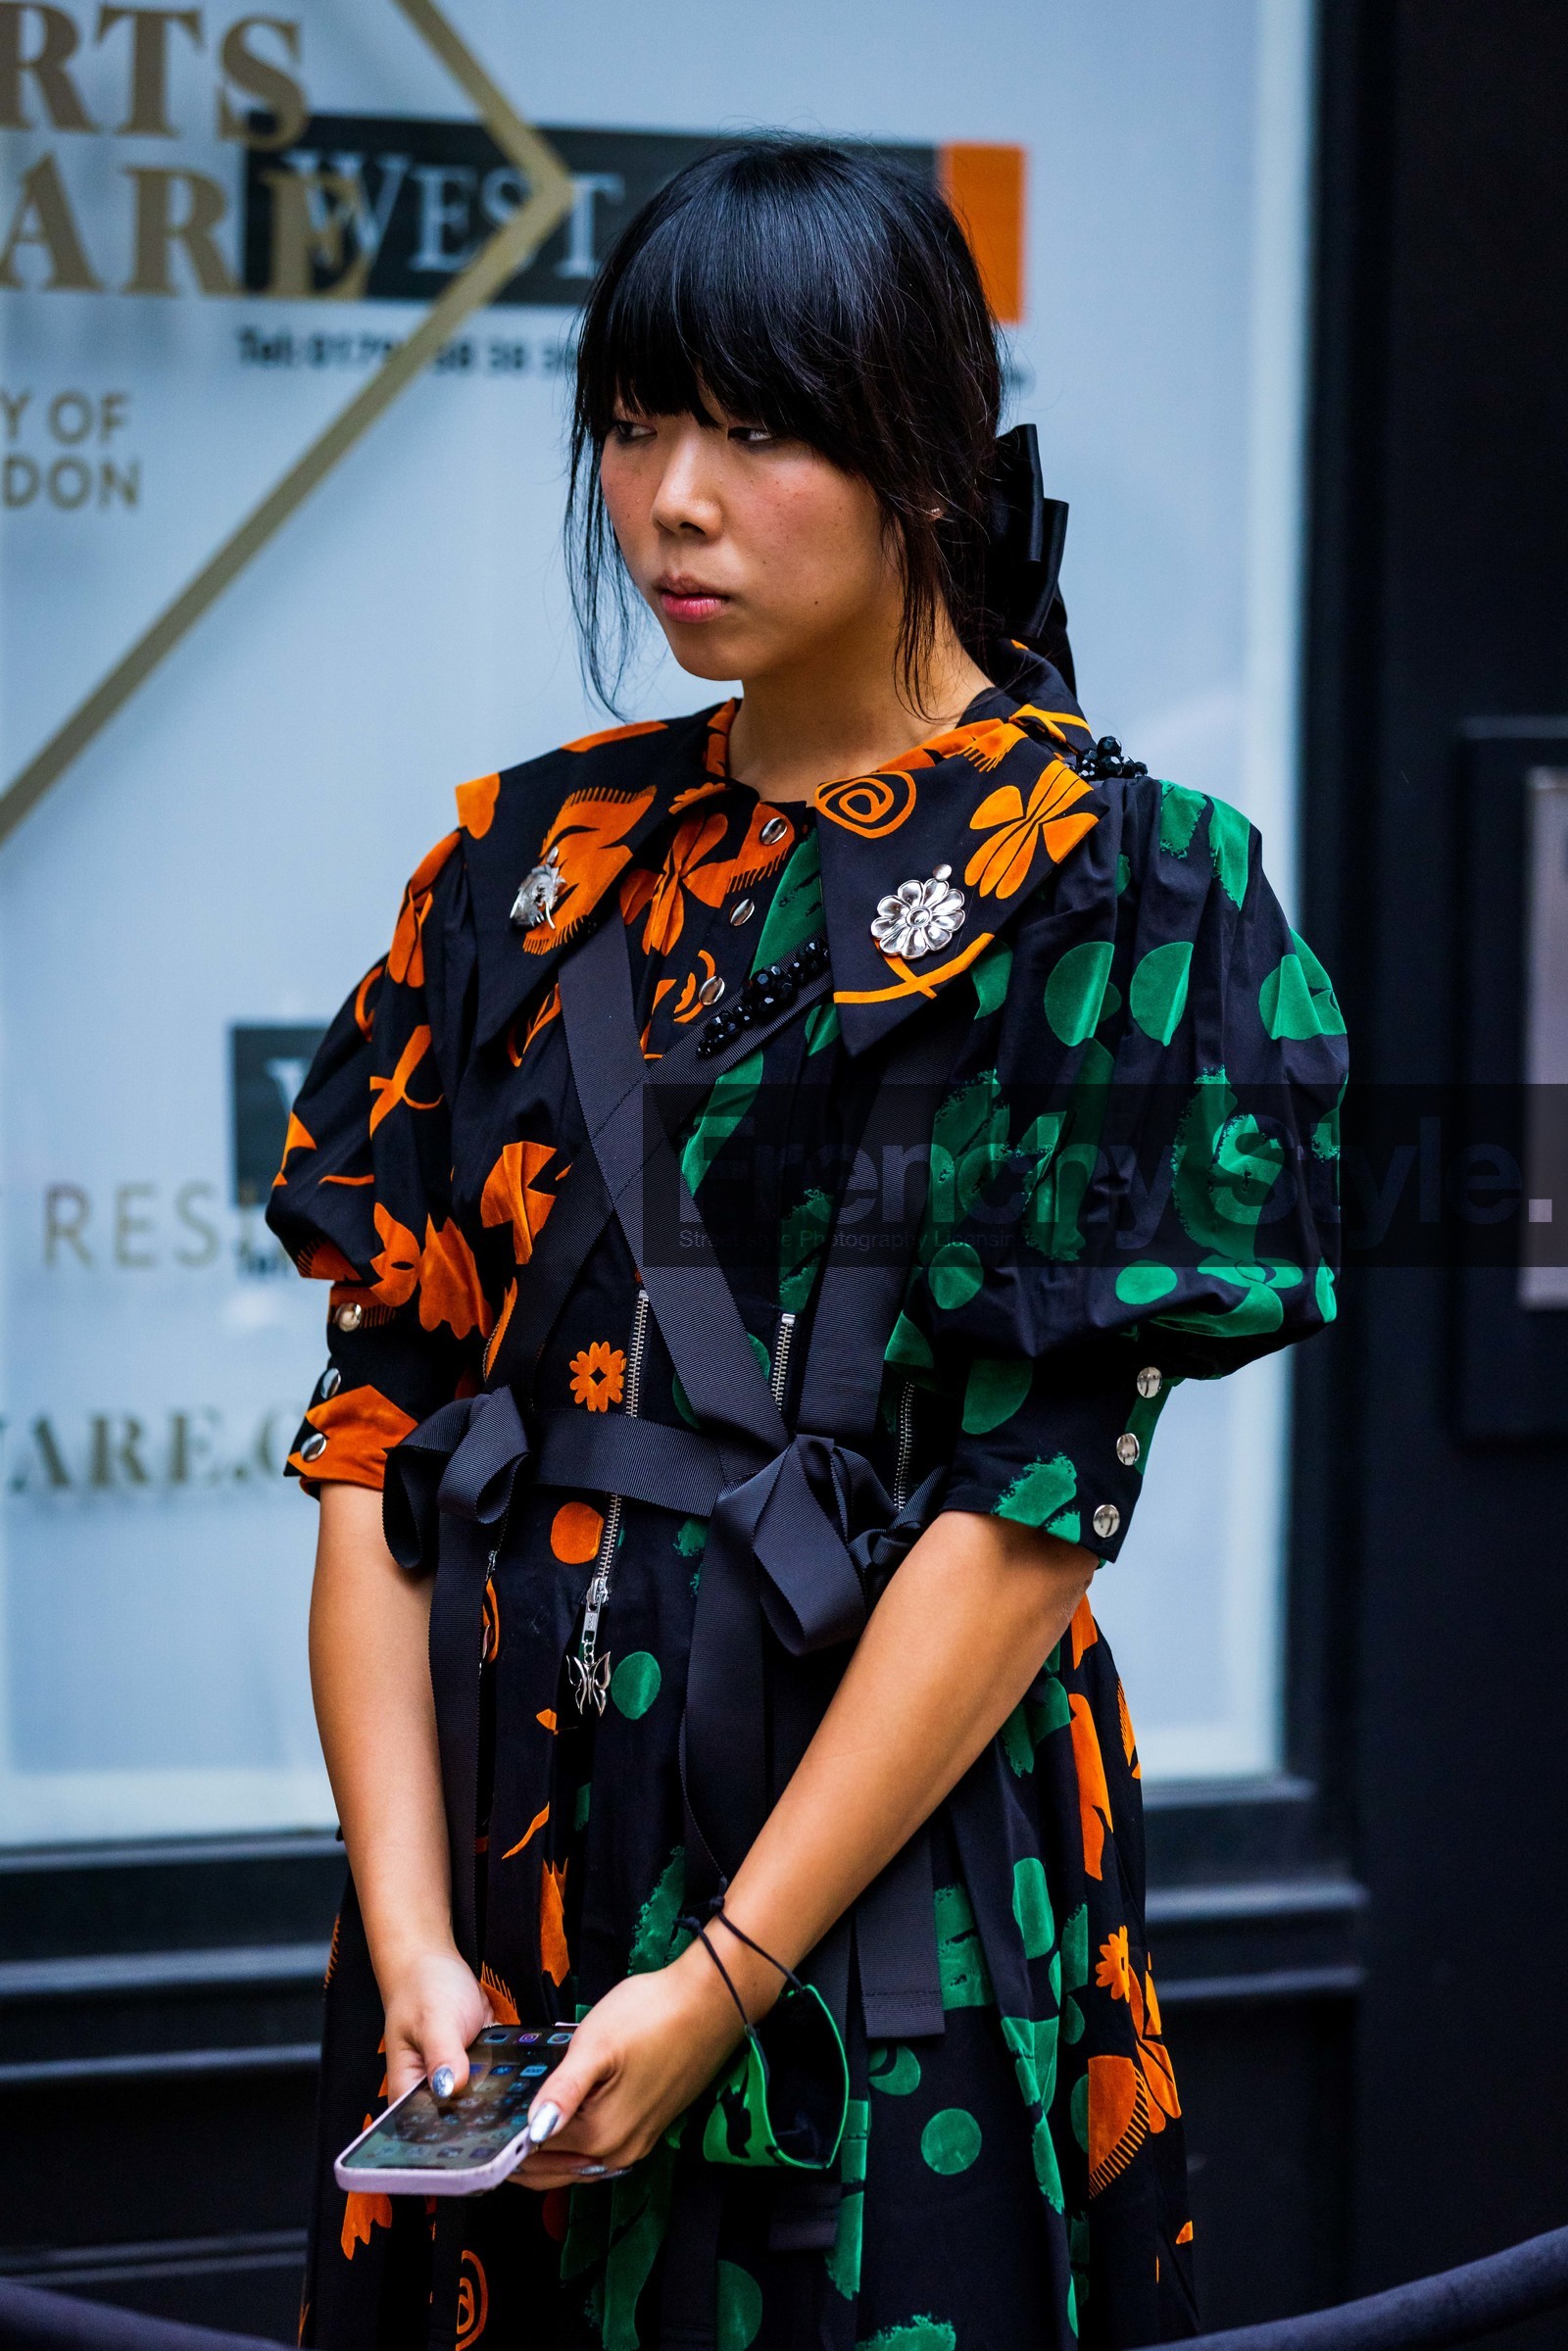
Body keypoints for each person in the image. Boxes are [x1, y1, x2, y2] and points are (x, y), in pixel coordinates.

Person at [269, 138, 1346, 2351]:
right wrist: (409, 1942)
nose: (671, 502)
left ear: (923, 457)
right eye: (633, 424)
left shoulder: (1114, 884)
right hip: (484, 1906)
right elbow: (380, 1430)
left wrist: (724, 1976)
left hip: (872, 1919)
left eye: (755, 432)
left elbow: (1033, 1506)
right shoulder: (523, 864)